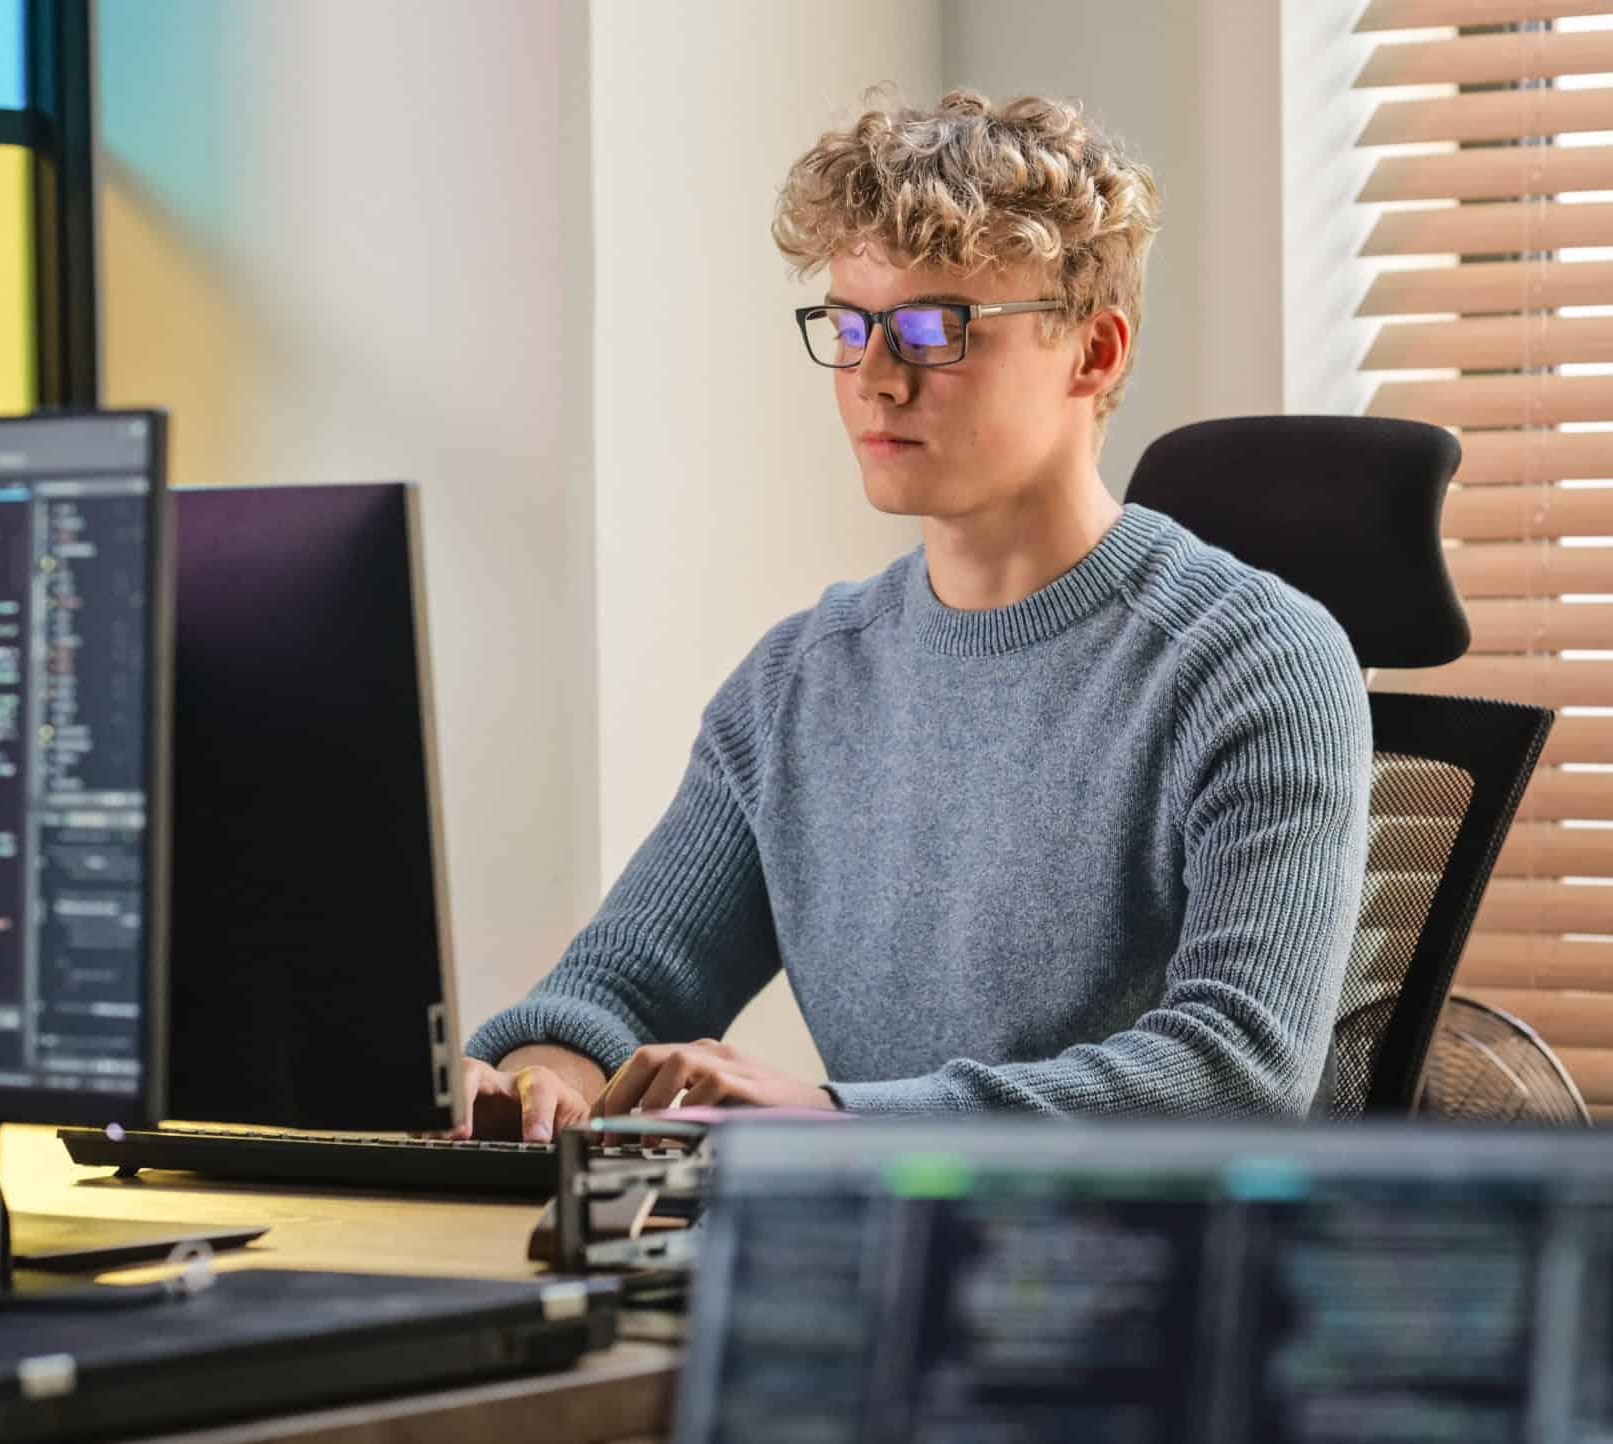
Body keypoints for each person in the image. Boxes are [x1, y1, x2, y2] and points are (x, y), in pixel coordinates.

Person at [453, 89, 1370, 1140]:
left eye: (935, 330)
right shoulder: (799, 682)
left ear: (1095, 352)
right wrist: (539, 1076)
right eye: (850, 327)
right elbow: (622, 988)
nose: (874, 380)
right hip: (869, 1228)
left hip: (1131, 1239)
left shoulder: (1255, 663)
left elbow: (1239, 1070)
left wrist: (836, 1119)